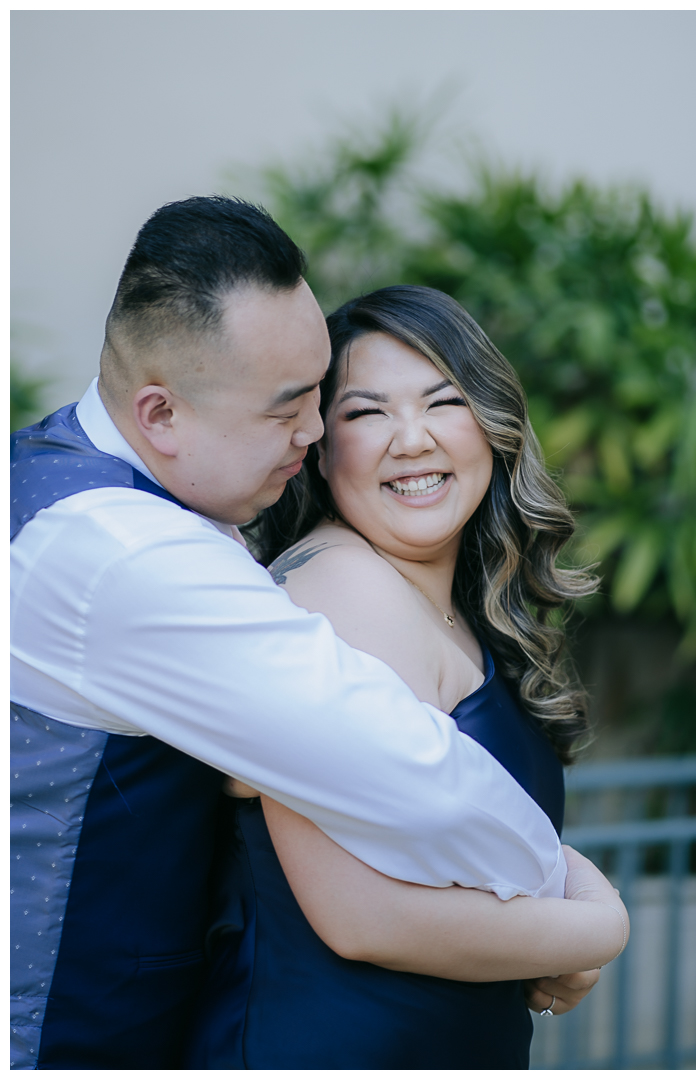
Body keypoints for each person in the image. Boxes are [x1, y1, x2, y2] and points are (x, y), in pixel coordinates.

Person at [11, 198, 572, 1070]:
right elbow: (401, 768)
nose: (312, 435)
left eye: (319, 397)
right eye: (290, 411)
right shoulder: (123, 553)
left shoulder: (83, 484)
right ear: (160, 414)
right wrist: (579, 905)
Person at [186, 285, 628, 1070]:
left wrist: (565, 885)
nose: (411, 439)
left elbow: (471, 826)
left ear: (491, 427)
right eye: (366, 413)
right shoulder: (339, 592)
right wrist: (597, 926)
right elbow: (363, 917)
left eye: (442, 401)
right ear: (318, 447)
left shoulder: (456, 603)